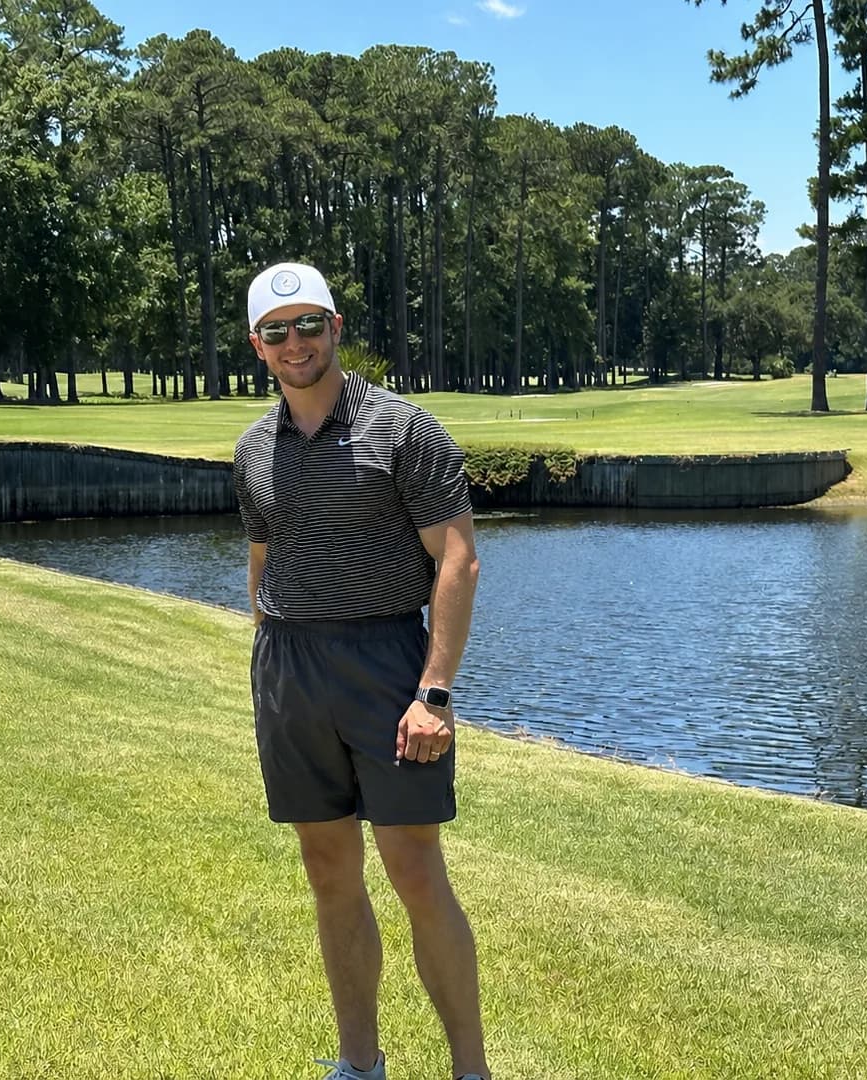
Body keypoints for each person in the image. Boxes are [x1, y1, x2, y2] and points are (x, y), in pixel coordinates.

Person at [232, 261, 491, 1080]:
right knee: (327, 869)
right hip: (291, 670)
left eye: (309, 324)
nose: (295, 342)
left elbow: (458, 561)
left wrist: (434, 693)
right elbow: (264, 550)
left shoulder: (404, 431)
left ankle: (470, 1072)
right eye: (277, 331)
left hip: (386, 662)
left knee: (414, 868)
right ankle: (359, 1064)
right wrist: (267, 634)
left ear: (336, 329)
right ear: (257, 346)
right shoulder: (252, 447)